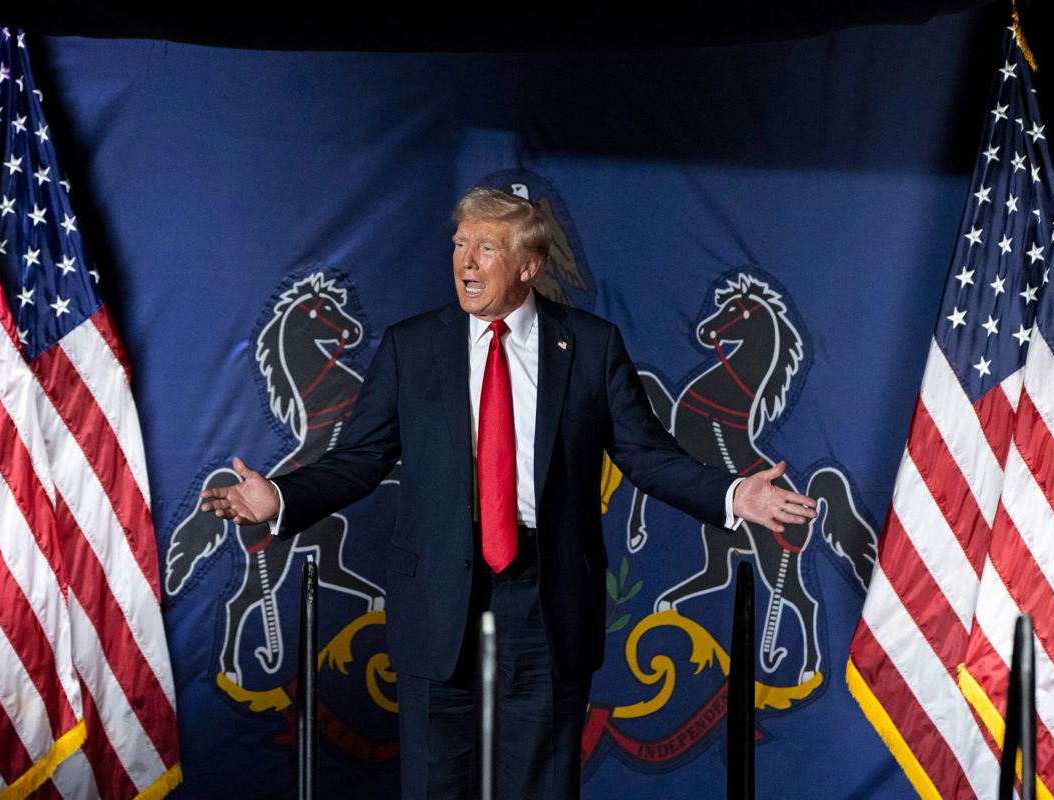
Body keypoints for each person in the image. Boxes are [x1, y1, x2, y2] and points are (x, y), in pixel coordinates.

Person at [201, 187, 816, 799]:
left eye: (486, 248)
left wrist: (736, 496)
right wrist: (279, 498)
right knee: (437, 787)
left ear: (528, 266)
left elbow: (645, 455)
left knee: (539, 789)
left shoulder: (591, 347)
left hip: (544, 596)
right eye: (460, 243)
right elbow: (361, 459)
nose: (466, 262)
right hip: (439, 592)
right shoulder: (411, 347)